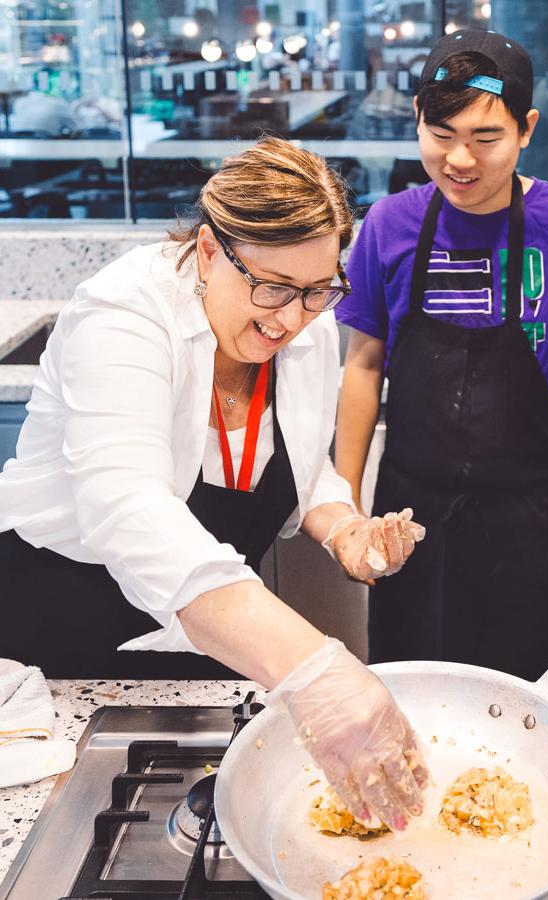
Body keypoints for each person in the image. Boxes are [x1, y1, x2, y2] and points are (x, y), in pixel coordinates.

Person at [0, 137, 427, 829]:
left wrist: (345, 528)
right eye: (271, 286)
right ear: (207, 250)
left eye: (318, 290)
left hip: (207, 638)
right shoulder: (123, 315)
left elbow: (304, 465)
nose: (289, 317)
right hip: (60, 639)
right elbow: (128, 507)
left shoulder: (300, 329)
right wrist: (316, 668)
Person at [335, 30, 548, 680]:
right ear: (417, 122)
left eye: (485, 139)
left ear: (527, 128)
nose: (460, 159)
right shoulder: (389, 225)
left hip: (524, 521)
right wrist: (346, 507)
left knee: (523, 703)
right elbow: (363, 364)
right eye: (440, 133)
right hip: (406, 512)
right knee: (405, 700)